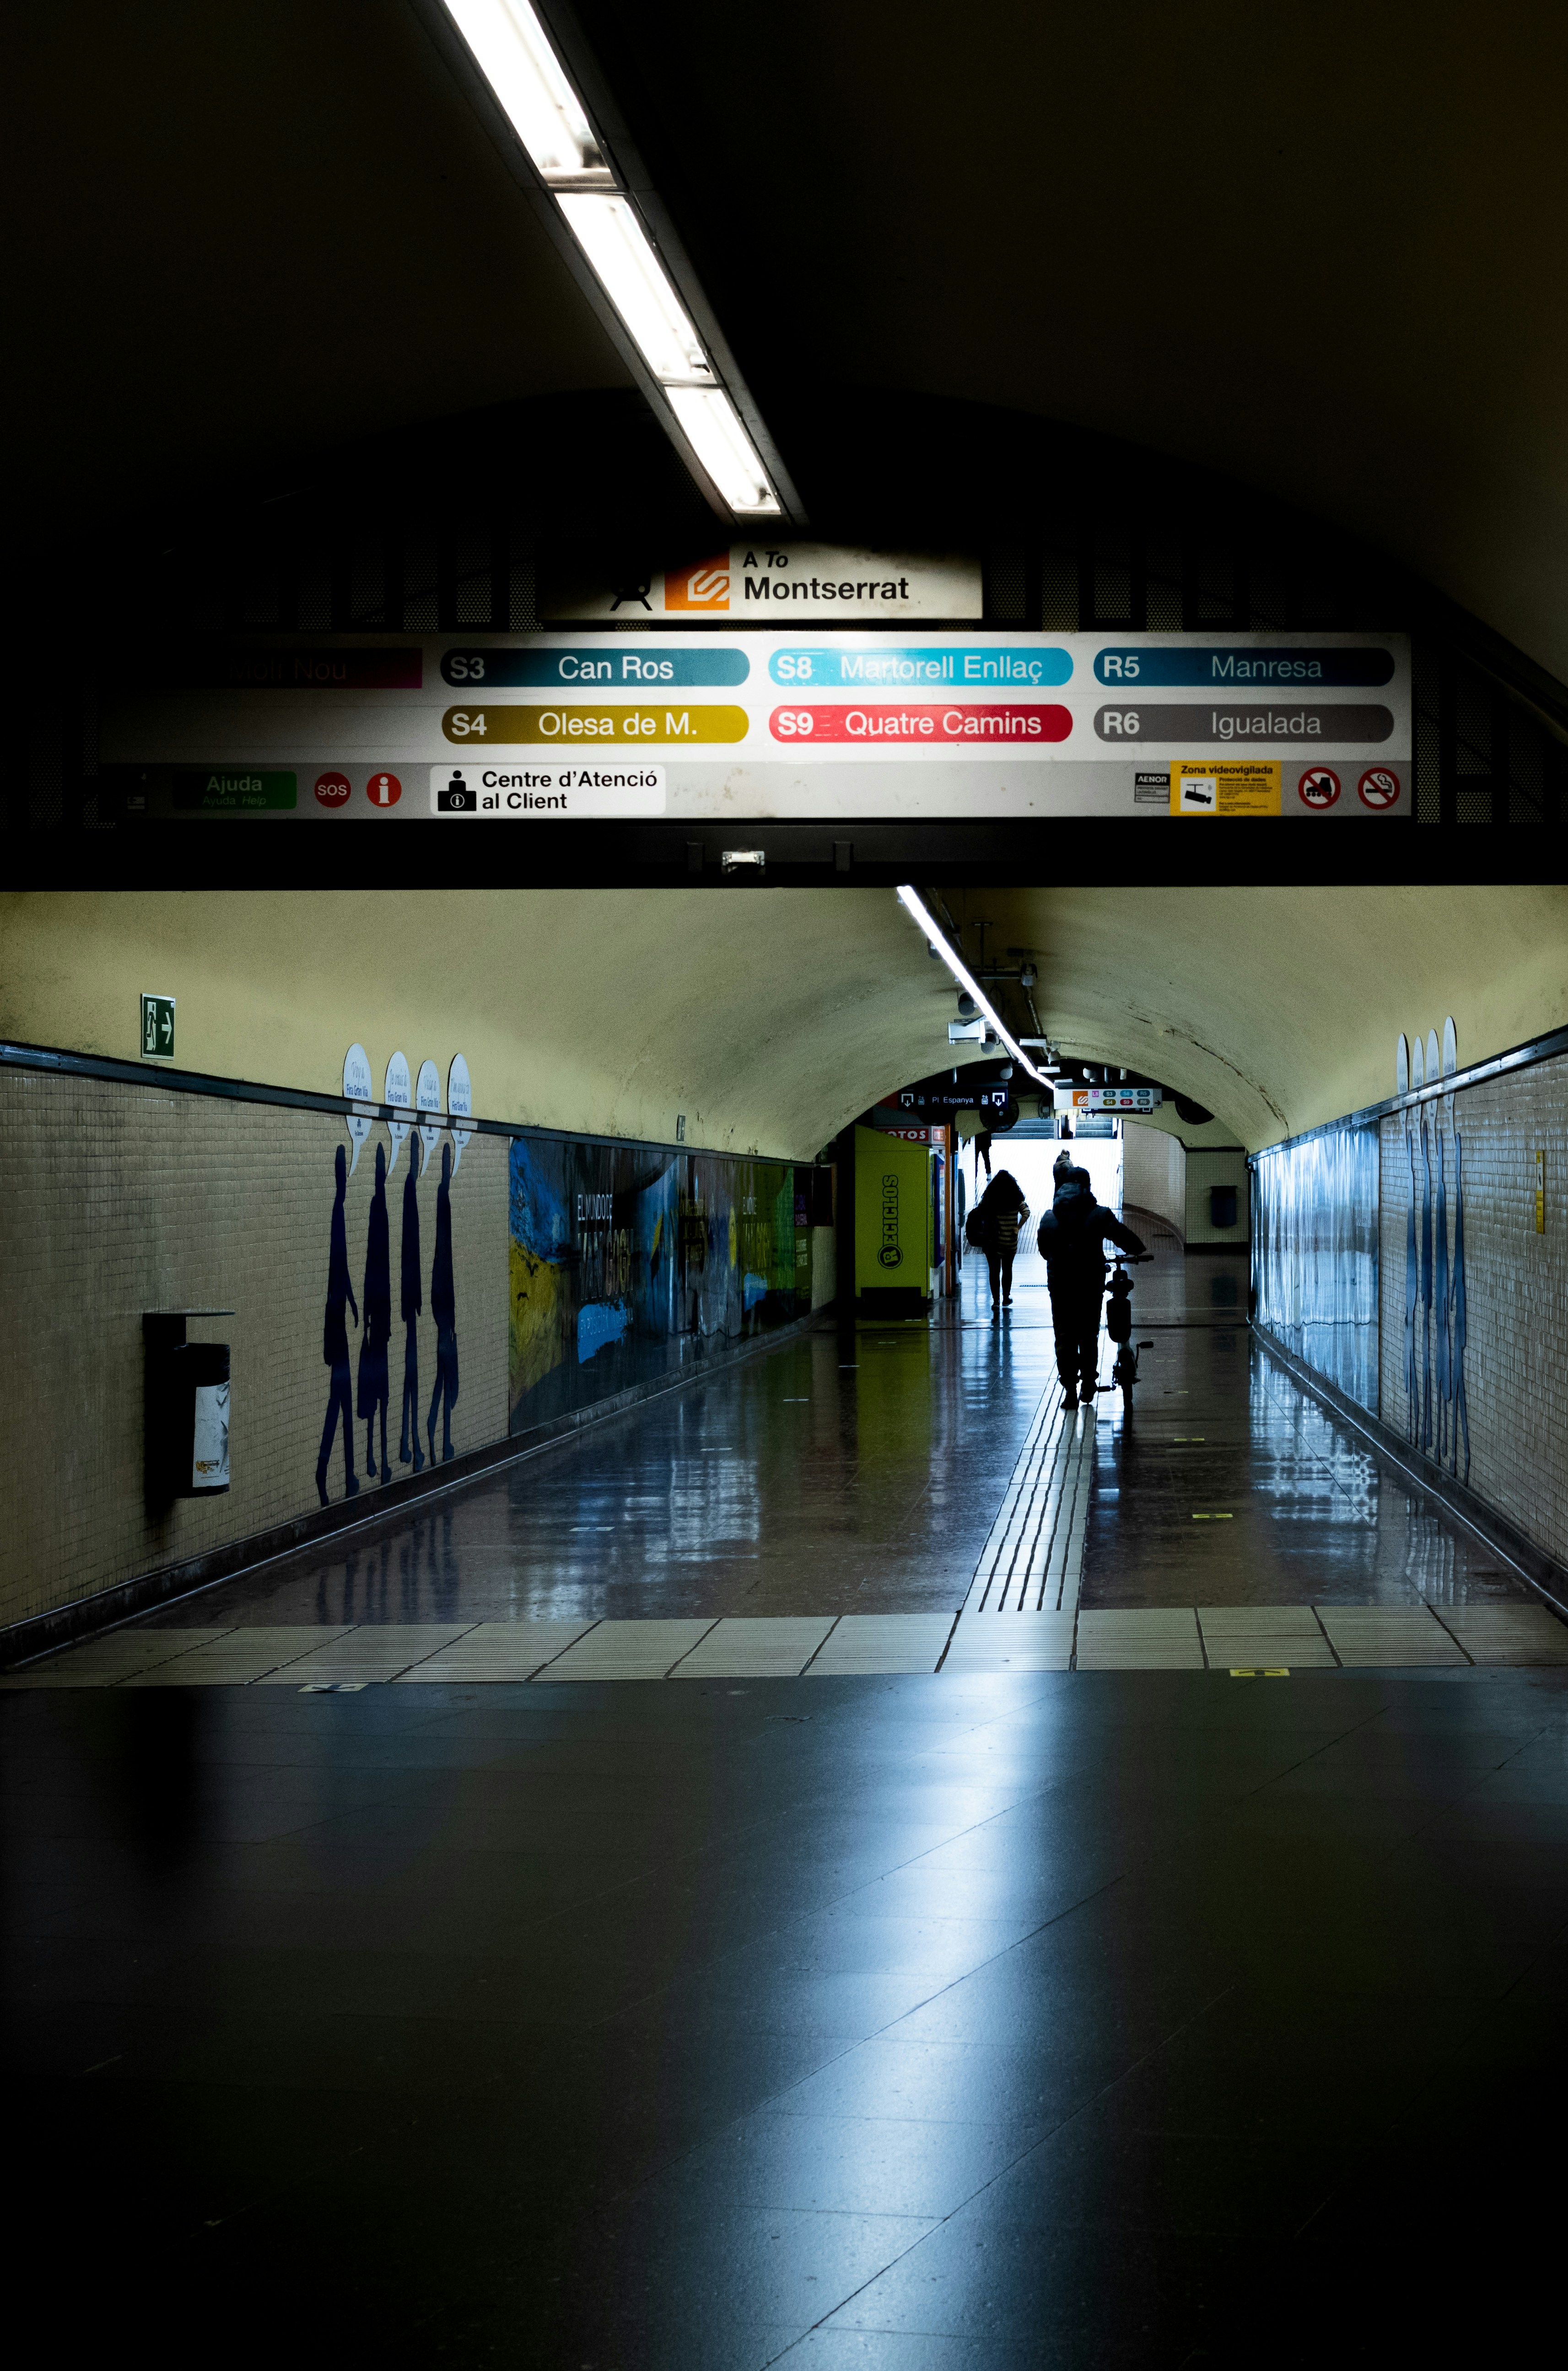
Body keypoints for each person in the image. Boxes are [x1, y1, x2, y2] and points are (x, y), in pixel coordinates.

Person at [1036, 1163, 1146, 1407]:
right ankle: (1088, 1384)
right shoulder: (1099, 1214)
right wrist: (1140, 1250)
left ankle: (1070, 1392)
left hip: (1060, 1286)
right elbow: (1125, 1238)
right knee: (1088, 1334)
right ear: (1087, 1187)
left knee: (1064, 1337)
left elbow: (1044, 1251)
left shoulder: (1049, 1217)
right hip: (1089, 1284)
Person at [316, 1142, 360, 1505]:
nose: (344, 1178)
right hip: (337, 1329)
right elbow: (338, 1269)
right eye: (342, 1172)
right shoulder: (337, 1210)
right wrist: (348, 1303)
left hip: (338, 1325)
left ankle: (331, 1471)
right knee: (341, 1404)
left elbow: (340, 1269)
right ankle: (342, 1474)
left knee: (338, 1404)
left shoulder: (339, 1209)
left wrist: (353, 1303)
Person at [358, 1141, 392, 1477]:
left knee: (377, 1390)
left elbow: (373, 1263)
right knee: (380, 1392)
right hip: (380, 1318)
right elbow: (379, 1263)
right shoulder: (378, 1207)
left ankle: (375, 1455)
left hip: (377, 1317)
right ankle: (377, 1457)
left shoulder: (377, 1207)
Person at [427, 1140, 459, 1464]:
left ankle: (438, 1433)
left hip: (442, 1302)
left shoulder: (442, 1196)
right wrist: (450, 1317)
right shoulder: (443, 1197)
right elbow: (444, 1255)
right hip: (443, 1303)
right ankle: (439, 1434)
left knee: (442, 1376)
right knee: (444, 1375)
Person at [973, 1168, 1029, 1316]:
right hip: (1009, 1242)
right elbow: (1027, 1212)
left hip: (992, 1242)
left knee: (994, 1271)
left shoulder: (990, 1200)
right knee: (1007, 1270)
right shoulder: (1016, 1199)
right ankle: (1006, 1298)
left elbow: (980, 1213)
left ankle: (996, 1301)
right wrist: (1017, 1227)